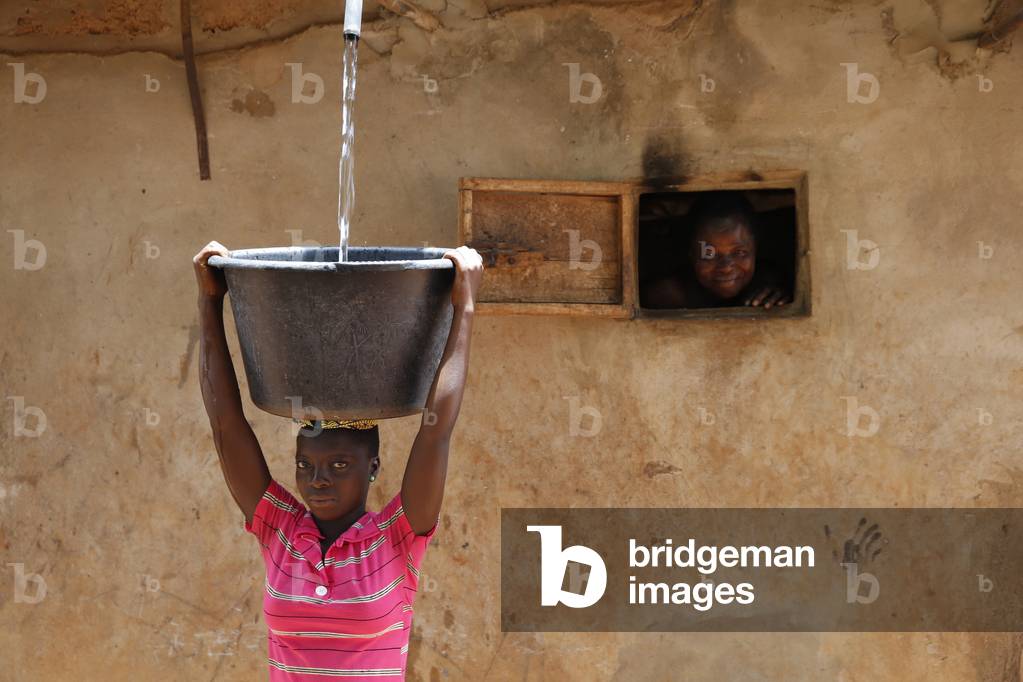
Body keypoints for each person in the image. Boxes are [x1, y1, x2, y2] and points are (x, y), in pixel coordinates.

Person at [192, 240, 482, 681]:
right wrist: (210, 302)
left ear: (373, 466)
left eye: (339, 465)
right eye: (305, 466)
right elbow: (226, 426)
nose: (318, 480)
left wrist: (465, 309)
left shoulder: (396, 539)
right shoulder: (281, 533)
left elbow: (436, 432)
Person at [640, 192, 791, 310]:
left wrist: (777, 301)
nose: (726, 267)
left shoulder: (769, 282)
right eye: (708, 253)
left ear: (756, 250)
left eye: (739, 253)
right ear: (691, 254)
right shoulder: (666, 296)